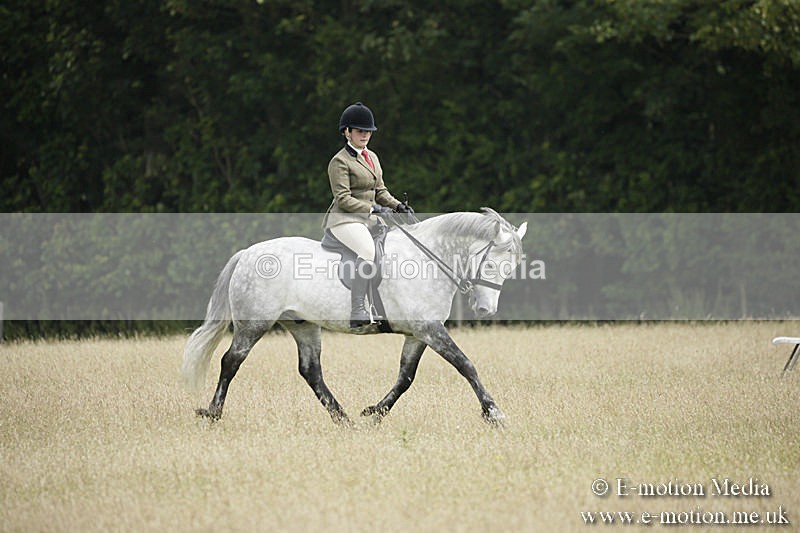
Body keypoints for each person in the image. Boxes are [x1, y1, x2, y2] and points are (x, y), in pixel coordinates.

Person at [323, 102, 413, 327]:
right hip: (344, 219)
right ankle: (358, 310)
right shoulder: (339, 161)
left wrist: (397, 206)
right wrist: (374, 209)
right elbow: (343, 198)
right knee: (367, 250)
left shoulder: (371, 156)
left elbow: (380, 190)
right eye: (360, 131)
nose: (365, 135)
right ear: (347, 132)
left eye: (368, 132)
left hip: (368, 219)